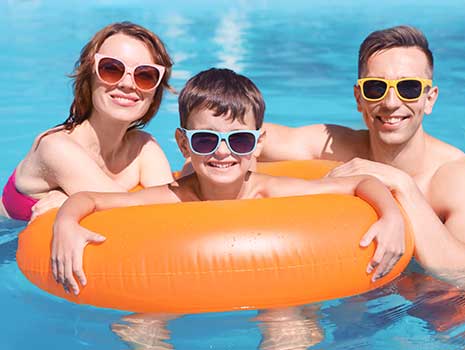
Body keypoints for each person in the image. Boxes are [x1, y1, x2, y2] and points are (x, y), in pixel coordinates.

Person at [51, 67, 405, 296]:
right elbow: (90, 200)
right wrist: (66, 222)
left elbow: (361, 183)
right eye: (206, 139)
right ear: (183, 143)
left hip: (277, 286)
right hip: (175, 289)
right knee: (142, 323)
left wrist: (390, 216)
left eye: (240, 141)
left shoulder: (269, 190)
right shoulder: (174, 196)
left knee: (289, 320)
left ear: (258, 144)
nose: (223, 153)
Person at [259, 25, 465, 282]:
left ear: (429, 99)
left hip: (434, 303)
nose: (391, 103)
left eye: (409, 88)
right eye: (376, 88)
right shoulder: (332, 146)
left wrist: (403, 186)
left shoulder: (463, 180)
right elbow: (245, 134)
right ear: (358, 98)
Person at [0, 21, 174, 222]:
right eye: (111, 68)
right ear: (88, 77)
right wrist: (80, 204)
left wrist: (75, 201)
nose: (127, 84)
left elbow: (173, 216)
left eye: (145, 75)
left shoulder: (144, 148)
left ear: (155, 92)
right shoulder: (56, 148)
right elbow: (128, 219)